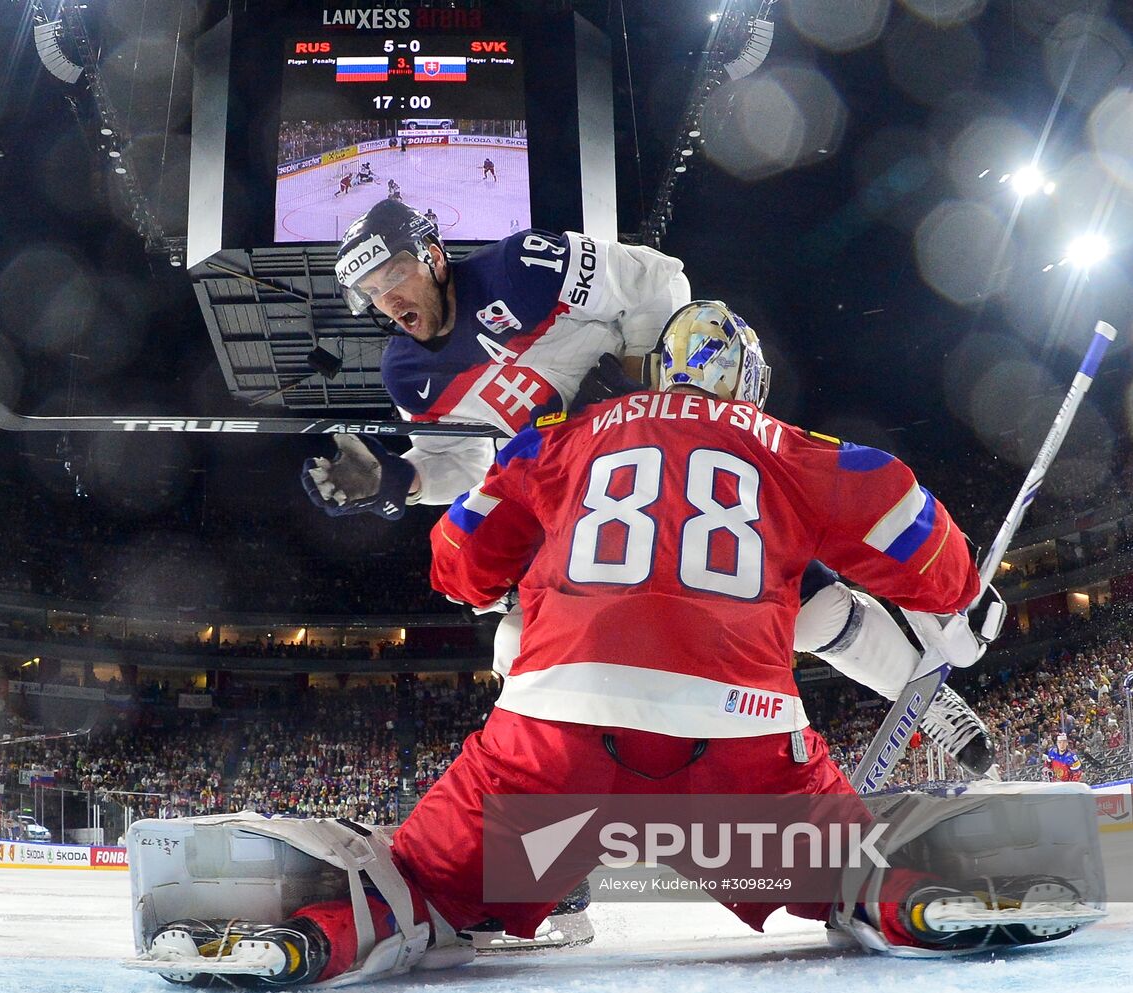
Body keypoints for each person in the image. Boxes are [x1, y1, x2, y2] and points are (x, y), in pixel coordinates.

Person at [148, 304, 1079, 989]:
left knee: (423, 889)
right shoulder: (796, 451)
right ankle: (904, 895)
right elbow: (894, 498)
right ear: (745, 383)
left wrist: (494, 572)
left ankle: (327, 931)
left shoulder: (558, 440)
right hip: (738, 740)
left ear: (655, 372)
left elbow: (458, 562)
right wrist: (962, 599)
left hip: (555, 729)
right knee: (844, 868)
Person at [304, 204, 996, 774]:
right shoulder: (405, 374)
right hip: (569, 489)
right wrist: (399, 477)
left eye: (393, 273)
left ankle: (924, 696)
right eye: (369, 291)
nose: (385, 298)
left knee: (798, 603)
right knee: (517, 643)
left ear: (429, 256)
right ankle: (537, 814)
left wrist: (637, 376)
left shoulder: (522, 264)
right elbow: (462, 464)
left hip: (653, 440)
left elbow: (657, 280)